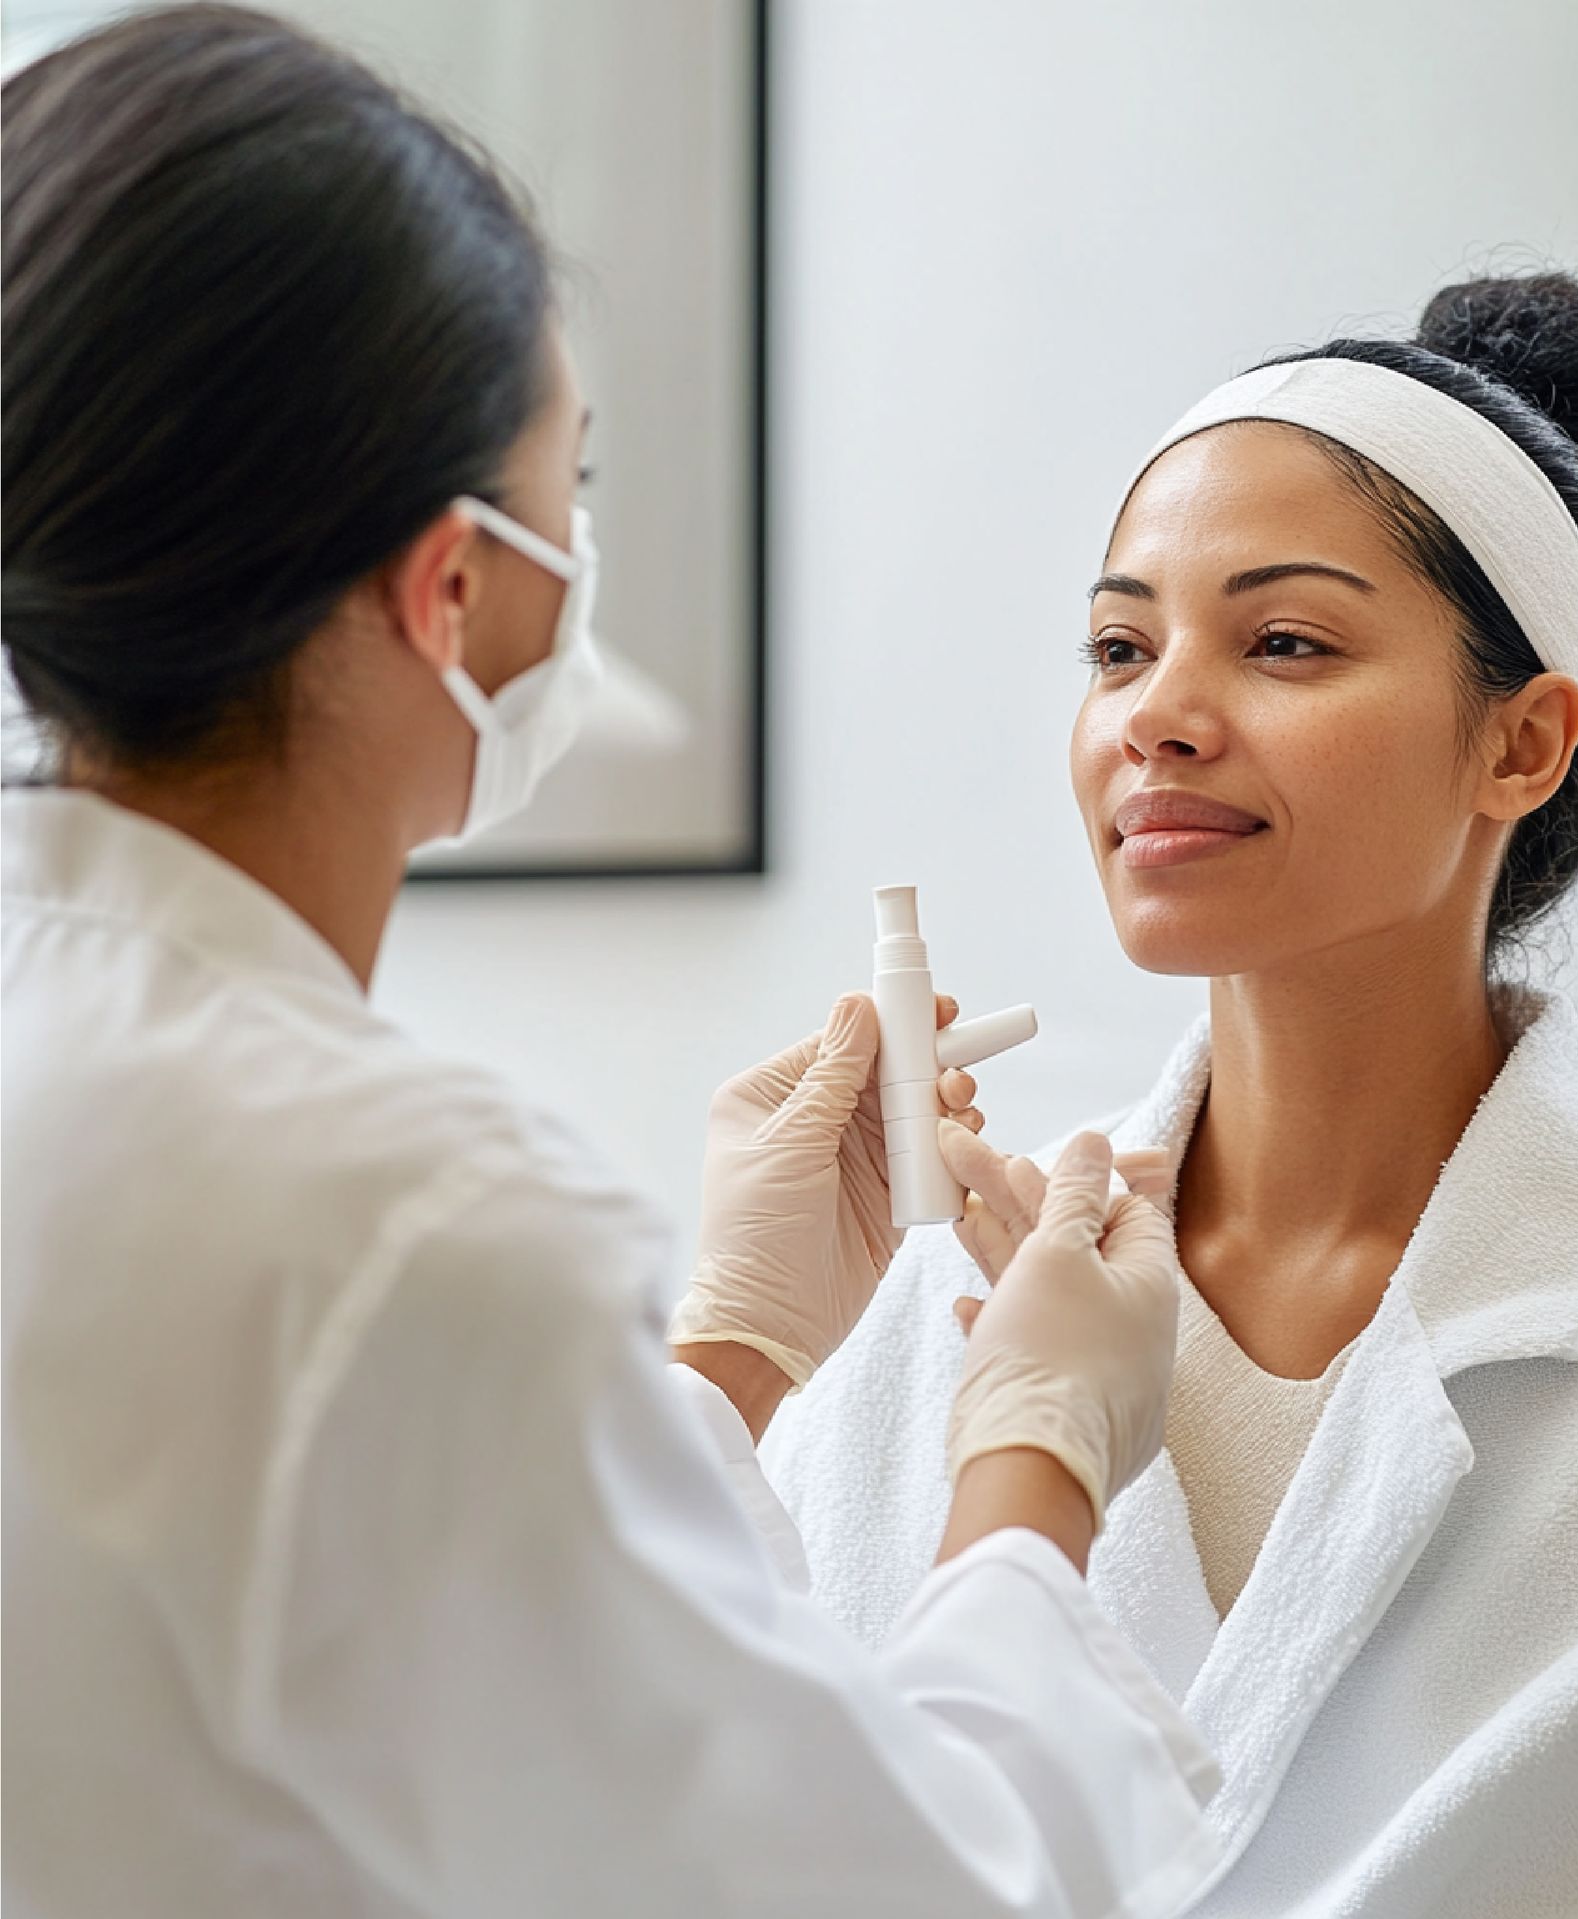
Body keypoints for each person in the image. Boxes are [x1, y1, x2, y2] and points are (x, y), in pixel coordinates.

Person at [0, 9, 1223, 1914]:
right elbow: (899, 1892)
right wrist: (1038, 1464)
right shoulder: (398, 1224)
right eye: (574, 479)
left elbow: (362, 1592)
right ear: (453, 583)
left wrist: (726, 1356)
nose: (1165, 725)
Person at [764, 273, 1578, 1914]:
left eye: (1284, 642)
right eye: (1117, 645)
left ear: (1521, 745)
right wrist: (738, 1353)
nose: (1153, 718)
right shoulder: (945, 1310)